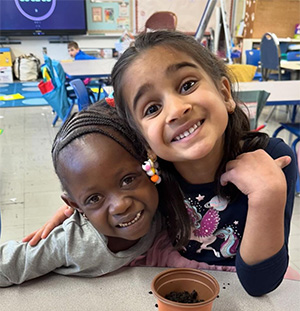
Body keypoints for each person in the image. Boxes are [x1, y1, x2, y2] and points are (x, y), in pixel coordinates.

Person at [110, 30, 297, 296]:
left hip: (243, 288)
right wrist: (88, 205)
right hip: (173, 278)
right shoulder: (148, 173)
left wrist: (268, 195)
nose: (176, 110)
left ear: (224, 93)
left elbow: (260, 286)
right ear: (144, 140)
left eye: (187, 85)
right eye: (152, 108)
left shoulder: (272, 160)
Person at [0, 99, 192, 287]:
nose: (120, 205)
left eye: (128, 180)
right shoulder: (73, 242)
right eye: (94, 198)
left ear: (149, 166)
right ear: (75, 206)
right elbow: (9, 265)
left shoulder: (165, 202)